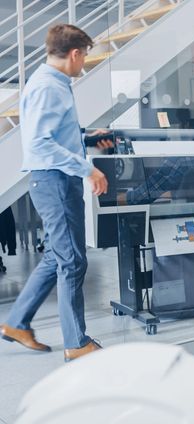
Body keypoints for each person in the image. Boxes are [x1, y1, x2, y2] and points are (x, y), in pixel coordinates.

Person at [0, 24, 114, 362]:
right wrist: (88, 168)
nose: (84, 66)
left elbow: (54, 134)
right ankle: (76, 342)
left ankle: (17, 323)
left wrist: (87, 138)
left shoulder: (50, 83)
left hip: (55, 178)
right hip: (54, 180)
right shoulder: (49, 87)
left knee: (56, 256)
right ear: (75, 53)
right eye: (85, 58)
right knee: (72, 261)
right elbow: (39, 142)